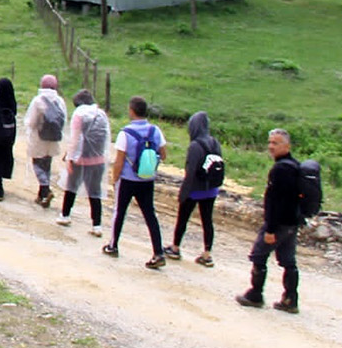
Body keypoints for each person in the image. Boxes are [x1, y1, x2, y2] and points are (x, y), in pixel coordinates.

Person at [237, 129, 302, 314]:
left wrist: (270, 229)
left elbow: (276, 201)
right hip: (292, 222)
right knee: (289, 261)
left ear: (287, 146)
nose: (271, 147)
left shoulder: (281, 169)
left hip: (279, 223)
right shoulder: (295, 166)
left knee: (259, 255)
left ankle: (255, 294)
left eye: (276, 143)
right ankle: (290, 299)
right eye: (270, 142)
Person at [103, 95, 168, 269]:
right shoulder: (156, 131)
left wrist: (114, 178)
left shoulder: (126, 133)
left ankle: (113, 245)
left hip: (127, 179)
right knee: (150, 215)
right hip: (147, 179)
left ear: (131, 111)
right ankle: (158, 252)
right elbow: (163, 154)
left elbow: (119, 161)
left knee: (120, 212)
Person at [168, 111, 223, 267]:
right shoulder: (215, 142)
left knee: (183, 218)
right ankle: (207, 254)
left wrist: (183, 193)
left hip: (195, 189)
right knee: (207, 220)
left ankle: (176, 247)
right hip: (212, 188)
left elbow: (190, 172)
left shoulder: (195, 146)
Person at [57, 89, 111, 235]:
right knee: (95, 192)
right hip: (98, 159)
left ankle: (65, 215)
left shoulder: (79, 115)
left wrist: (70, 158)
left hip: (80, 158)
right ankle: (97, 225)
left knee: (71, 187)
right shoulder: (101, 114)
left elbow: (75, 139)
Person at [23, 74, 69, 208]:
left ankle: (45, 188)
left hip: (39, 137)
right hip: (54, 137)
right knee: (47, 165)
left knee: (37, 164)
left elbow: (31, 121)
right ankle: (42, 194)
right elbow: (64, 119)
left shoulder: (38, 100)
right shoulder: (60, 101)